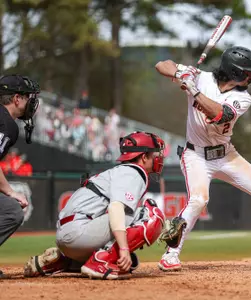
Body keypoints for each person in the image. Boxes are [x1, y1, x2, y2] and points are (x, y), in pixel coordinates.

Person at [154, 46, 251, 272]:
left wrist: (194, 91)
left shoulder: (243, 97)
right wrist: (180, 74)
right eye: (247, 72)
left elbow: (219, 114)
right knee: (198, 200)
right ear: (234, 72)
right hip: (195, 155)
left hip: (226, 155)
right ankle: (172, 254)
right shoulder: (201, 77)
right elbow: (161, 65)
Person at [23, 131, 187, 280]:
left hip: (71, 233)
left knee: (130, 261)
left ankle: (64, 262)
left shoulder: (120, 171)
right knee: (153, 215)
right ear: (144, 157)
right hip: (79, 232)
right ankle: (100, 261)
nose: (159, 157)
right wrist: (123, 249)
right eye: (154, 154)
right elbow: (115, 208)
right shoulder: (133, 172)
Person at [0, 74, 40, 279]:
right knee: (12, 212)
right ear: (16, 99)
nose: (31, 102)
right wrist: (10, 191)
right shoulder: (6, 124)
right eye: (27, 97)